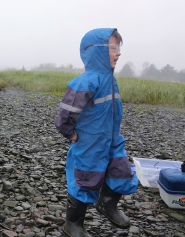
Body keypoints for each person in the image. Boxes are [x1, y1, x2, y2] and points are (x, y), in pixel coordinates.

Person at [55, 28, 139, 237]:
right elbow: (64, 116)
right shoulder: (85, 82)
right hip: (89, 143)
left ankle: (107, 204)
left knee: (121, 172)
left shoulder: (111, 80)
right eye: (113, 48)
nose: (118, 53)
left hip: (112, 139)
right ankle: (73, 223)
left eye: (118, 48)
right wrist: (71, 134)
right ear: (97, 51)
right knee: (85, 179)